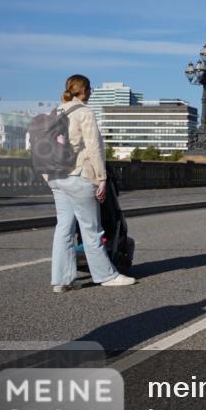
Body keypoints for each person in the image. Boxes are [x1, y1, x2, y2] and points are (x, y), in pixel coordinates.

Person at [45, 75, 136, 292]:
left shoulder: (54, 112)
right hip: (78, 176)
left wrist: (47, 176)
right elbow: (94, 148)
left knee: (64, 229)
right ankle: (106, 275)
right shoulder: (84, 112)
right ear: (85, 90)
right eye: (90, 89)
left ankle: (61, 280)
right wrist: (102, 178)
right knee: (91, 229)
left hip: (56, 177)